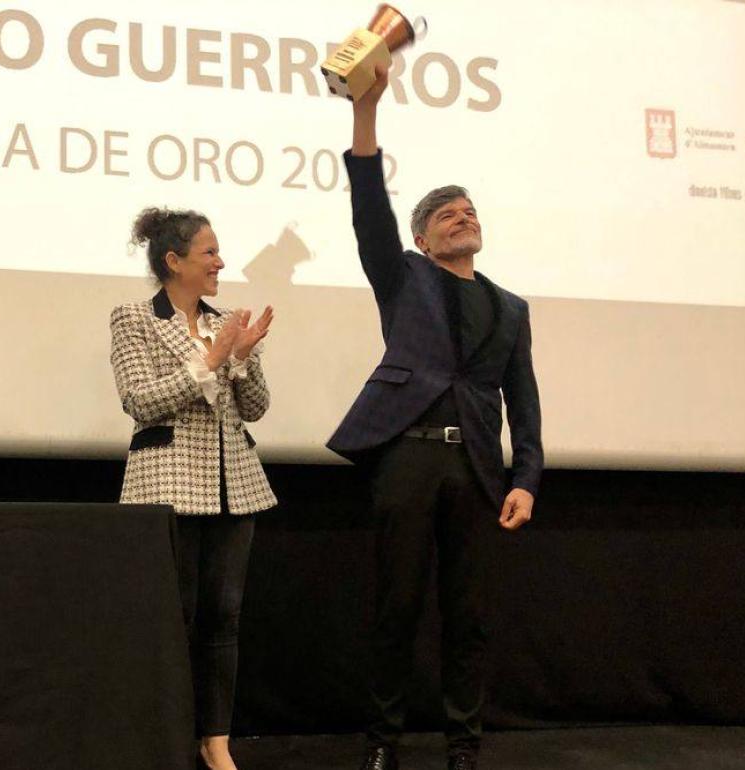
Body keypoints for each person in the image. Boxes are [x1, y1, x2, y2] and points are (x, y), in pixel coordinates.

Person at [326, 65, 544, 770]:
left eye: (470, 209)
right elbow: (368, 207)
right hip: (409, 457)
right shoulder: (403, 276)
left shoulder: (511, 307)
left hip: (478, 469)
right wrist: (365, 113)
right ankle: (384, 741)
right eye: (447, 213)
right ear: (423, 239)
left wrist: (527, 478)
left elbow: (525, 401)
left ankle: (462, 745)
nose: (463, 217)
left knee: (470, 616)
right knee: (397, 608)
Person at [109, 207, 276, 770]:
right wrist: (210, 360)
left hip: (235, 485)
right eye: (209, 252)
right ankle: (167, 735)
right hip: (168, 484)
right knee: (171, 618)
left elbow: (254, 408)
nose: (220, 262)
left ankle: (217, 739)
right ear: (173, 260)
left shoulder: (223, 319)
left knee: (223, 618)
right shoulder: (133, 317)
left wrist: (244, 358)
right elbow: (140, 401)